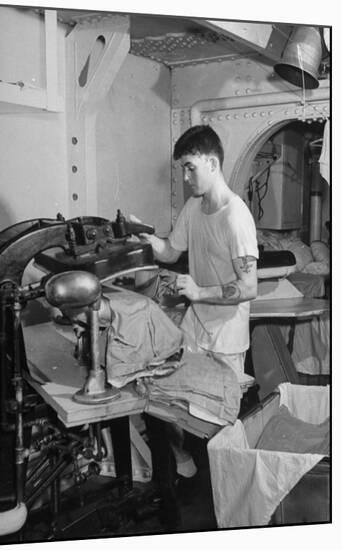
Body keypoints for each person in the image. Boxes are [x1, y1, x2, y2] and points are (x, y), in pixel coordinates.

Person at [137, 124, 259, 482]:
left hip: (226, 335)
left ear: (211, 162)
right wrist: (140, 235)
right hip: (196, 326)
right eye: (183, 169)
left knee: (220, 420)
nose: (186, 176)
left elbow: (248, 286)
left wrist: (200, 292)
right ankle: (187, 468)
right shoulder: (194, 207)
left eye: (190, 167)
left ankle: (232, 489)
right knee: (174, 404)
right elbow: (171, 250)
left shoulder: (236, 217)